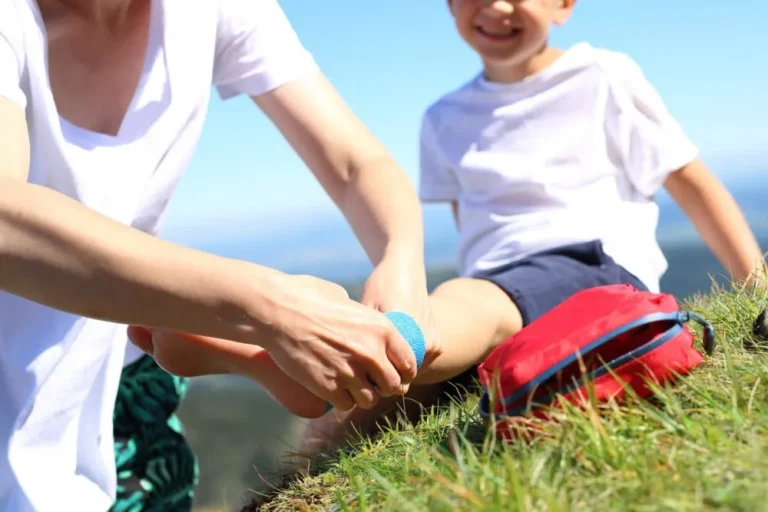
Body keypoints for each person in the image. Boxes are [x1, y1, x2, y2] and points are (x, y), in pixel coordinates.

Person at [142, 0, 766, 460]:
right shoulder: (443, 119)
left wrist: (755, 282)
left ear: (565, 6)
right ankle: (295, 367)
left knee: (447, 319)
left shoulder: (603, 76)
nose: (494, 7)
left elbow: (693, 185)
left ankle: (309, 330)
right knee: (377, 400)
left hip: (594, 268)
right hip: (497, 281)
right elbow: (477, 233)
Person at [0, 0, 439, 509]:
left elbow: (353, 162)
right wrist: (270, 309)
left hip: (117, 385)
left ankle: (189, 334)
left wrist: (401, 261)